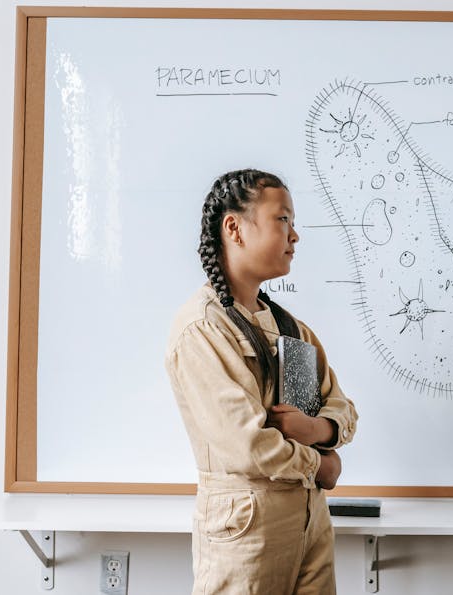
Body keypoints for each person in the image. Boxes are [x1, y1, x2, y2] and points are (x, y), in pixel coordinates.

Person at [166, 168, 358, 595]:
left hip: (310, 519)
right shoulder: (202, 329)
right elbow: (247, 445)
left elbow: (340, 406)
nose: (295, 235)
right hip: (247, 526)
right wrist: (320, 463)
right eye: (283, 219)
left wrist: (317, 429)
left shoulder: (290, 326)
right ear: (234, 227)